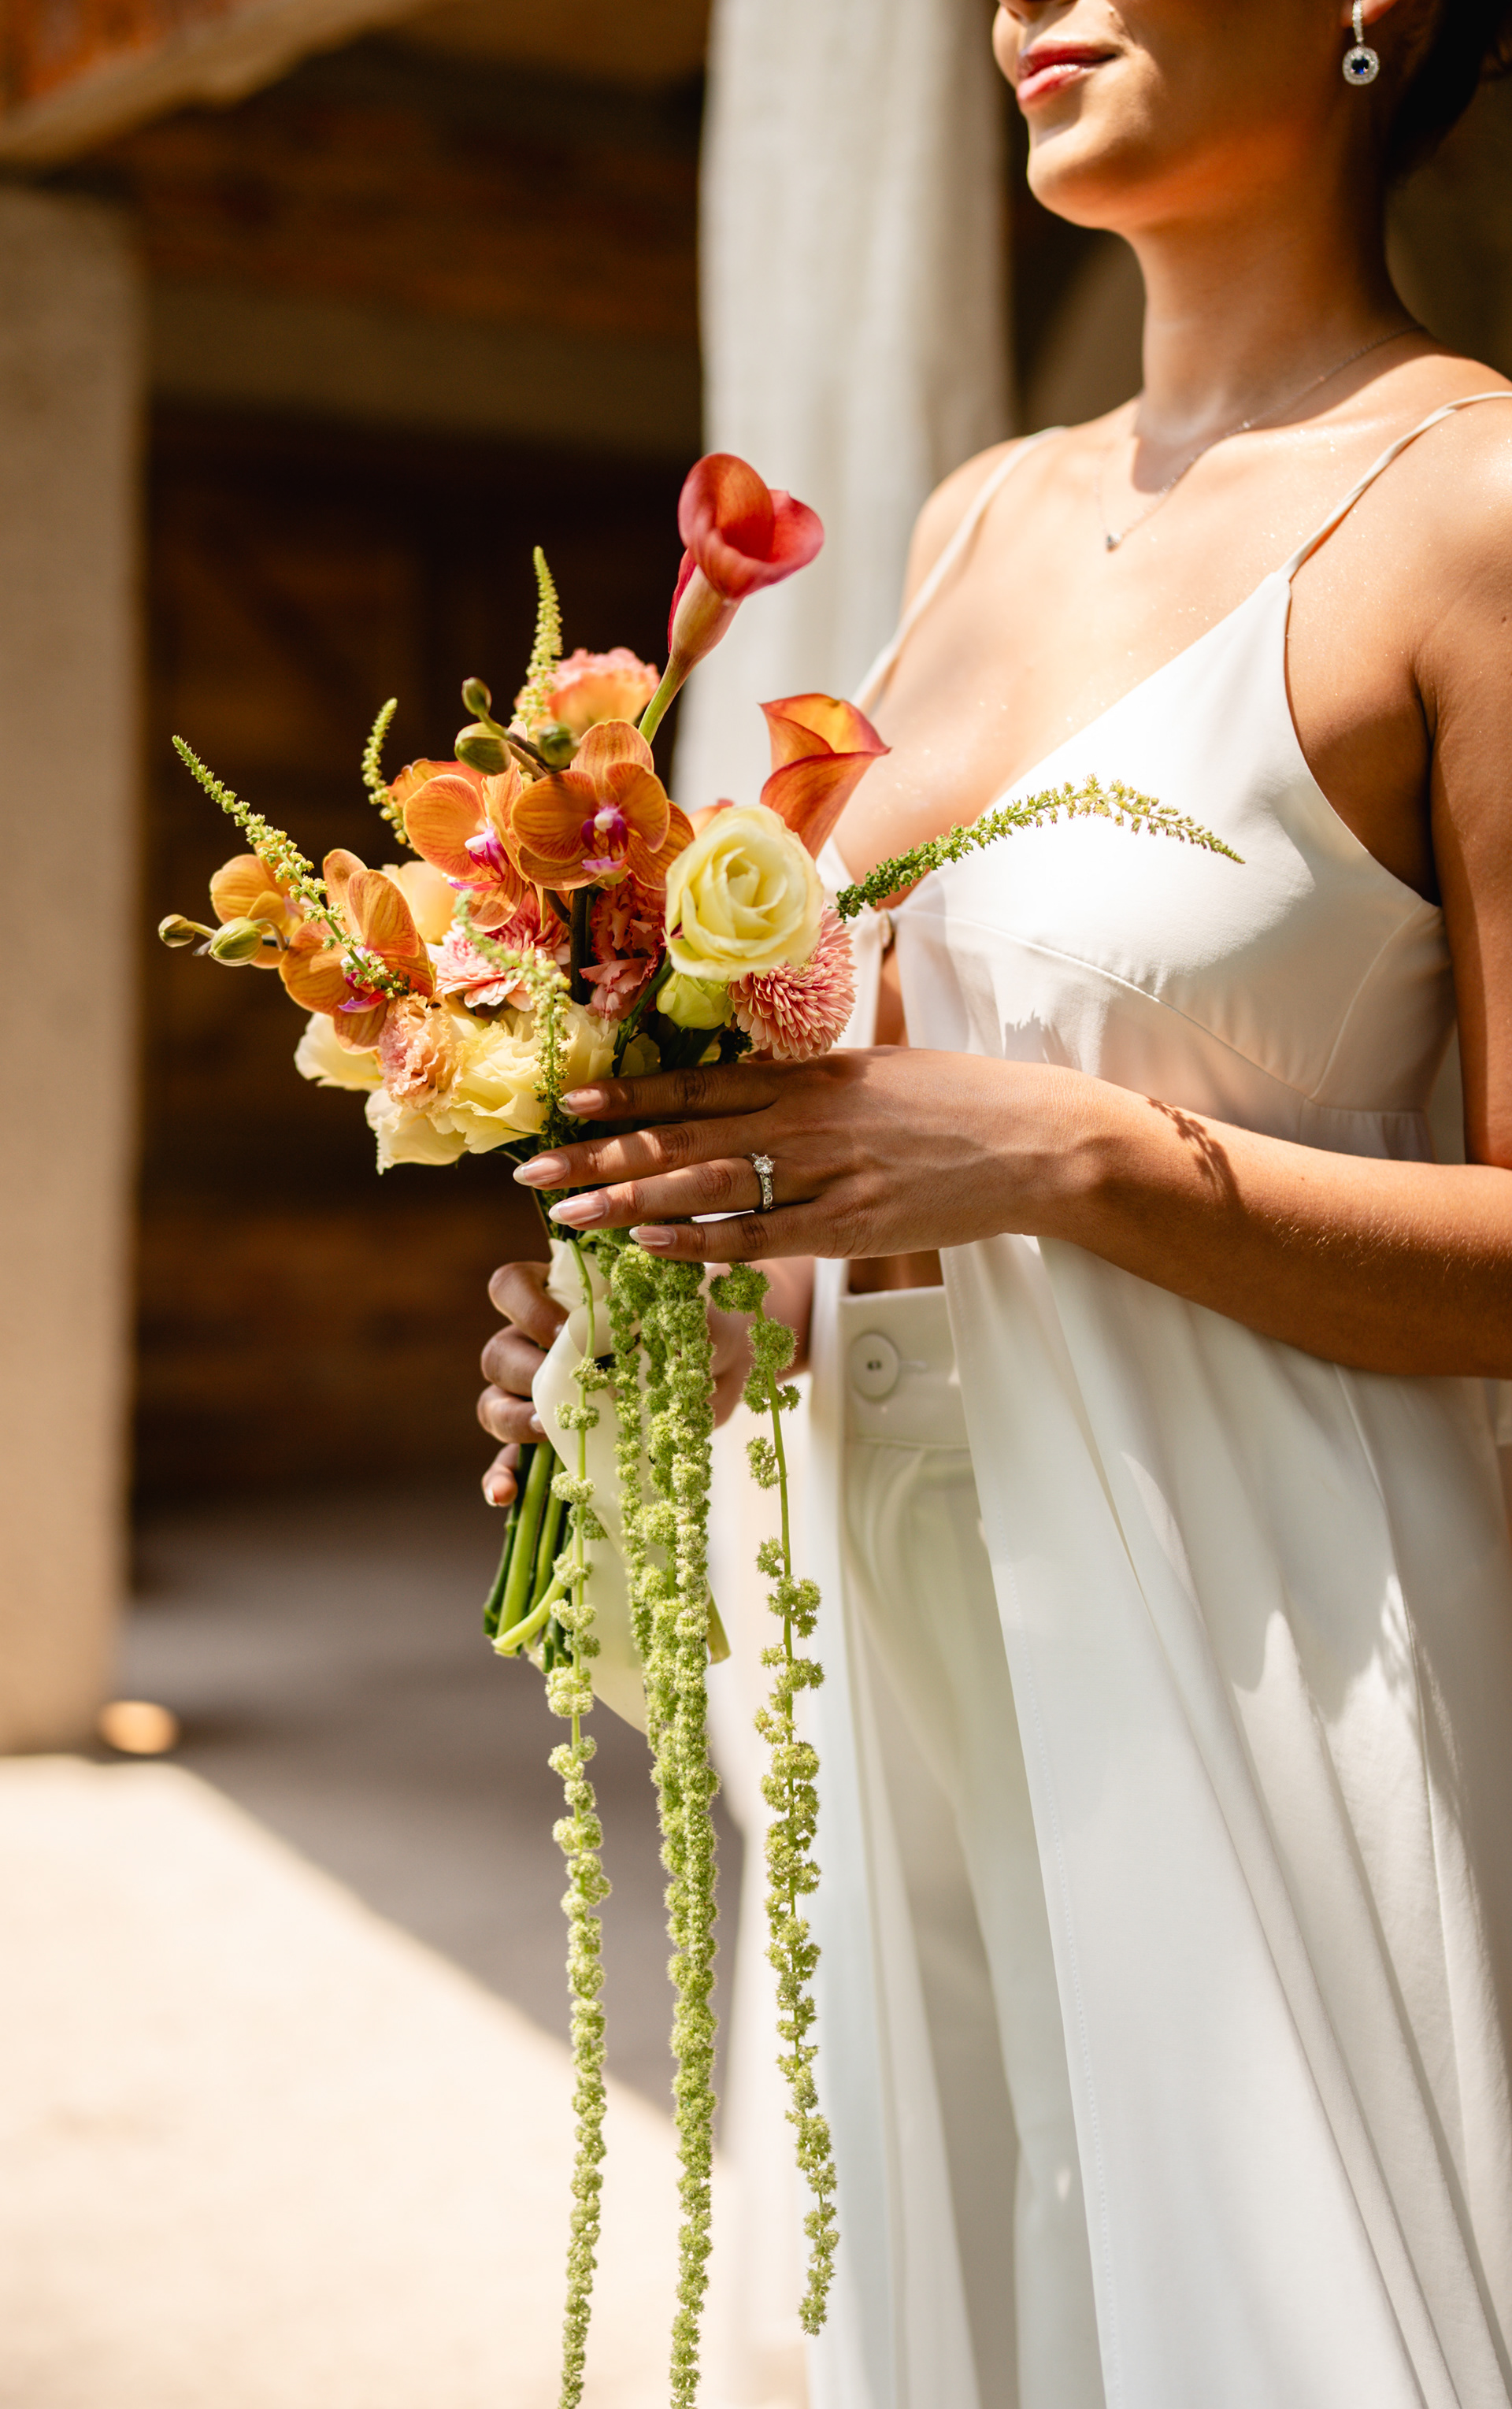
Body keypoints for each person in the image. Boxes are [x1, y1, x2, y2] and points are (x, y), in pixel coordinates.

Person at [478, 2, 1512, 2400]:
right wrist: (675, 1311)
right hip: (901, 1659)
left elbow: (1037, 1127)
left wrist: (1069, 1157)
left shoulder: (1472, 512)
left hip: (1270, 1649)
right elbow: (889, 1153)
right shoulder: (977, 512)